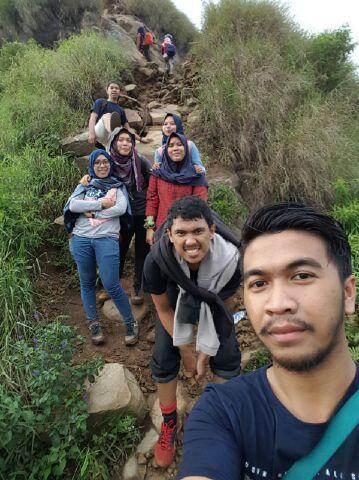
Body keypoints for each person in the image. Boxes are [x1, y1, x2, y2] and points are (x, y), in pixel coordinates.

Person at [178, 202, 358, 480]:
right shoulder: (222, 413)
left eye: (301, 276)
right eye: (259, 283)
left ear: (348, 293)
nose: (277, 304)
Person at [142, 196, 242, 468]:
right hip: (175, 284)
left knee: (229, 352)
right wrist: (186, 348)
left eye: (198, 231)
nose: (190, 241)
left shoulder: (231, 260)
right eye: (181, 233)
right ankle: (170, 423)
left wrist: (206, 351)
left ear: (212, 230)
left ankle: (216, 417)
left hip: (215, 285)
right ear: (170, 235)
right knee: (165, 352)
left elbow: (225, 307)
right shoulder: (157, 261)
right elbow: (163, 309)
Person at [64, 150, 139, 346]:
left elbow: (120, 208)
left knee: (111, 284)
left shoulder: (118, 186)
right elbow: (72, 205)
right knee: (87, 282)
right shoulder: (85, 184)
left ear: (110, 164)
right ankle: (94, 323)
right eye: (97, 162)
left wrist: (92, 211)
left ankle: (131, 322)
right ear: (92, 165)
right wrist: (101, 203)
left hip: (106, 238)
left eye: (105, 161)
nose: (102, 165)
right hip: (81, 238)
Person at [108, 127, 151, 304]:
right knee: (119, 250)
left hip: (141, 211)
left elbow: (154, 182)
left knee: (142, 250)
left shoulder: (140, 161)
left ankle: (137, 288)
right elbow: (98, 180)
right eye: (121, 140)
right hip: (121, 214)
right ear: (113, 142)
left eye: (128, 140)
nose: (125, 143)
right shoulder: (108, 162)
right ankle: (112, 287)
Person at [145, 132, 208, 246]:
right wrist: (150, 228)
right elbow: (152, 200)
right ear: (166, 150)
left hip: (187, 234)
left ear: (186, 148)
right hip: (161, 231)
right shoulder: (158, 173)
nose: (175, 148)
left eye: (179, 144)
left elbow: (200, 205)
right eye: (171, 145)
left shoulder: (196, 174)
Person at [88, 80, 147, 147]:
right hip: (100, 132)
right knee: (107, 116)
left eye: (116, 88)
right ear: (107, 91)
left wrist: (140, 139)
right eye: (111, 88)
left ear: (119, 92)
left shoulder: (120, 110)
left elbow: (128, 128)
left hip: (110, 138)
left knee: (123, 131)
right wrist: (91, 133)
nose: (114, 90)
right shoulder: (100, 102)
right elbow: (92, 118)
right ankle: (116, 135)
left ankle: (116, 139)